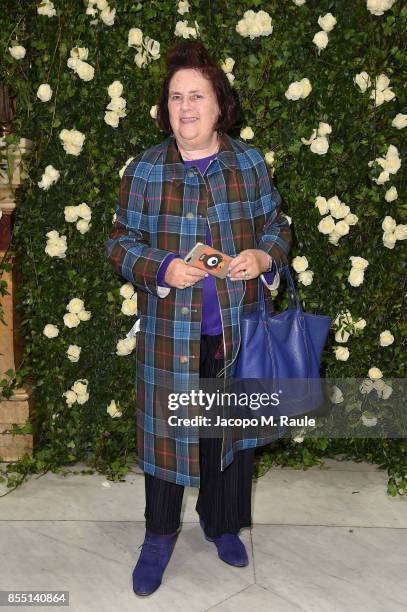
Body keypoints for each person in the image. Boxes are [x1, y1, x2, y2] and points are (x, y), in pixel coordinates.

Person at [105, 41, 292, 596]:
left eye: (197, 96)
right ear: (166, 108)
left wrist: (263, 257)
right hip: (171, 337)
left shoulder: (248, 163)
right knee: (168, 437)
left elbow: (276, 225)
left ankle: (221, 524)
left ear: (219, 106)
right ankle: (159, 537)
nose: (185, 107)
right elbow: (119, 243)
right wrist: (161, 265)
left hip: (237, 332)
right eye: (176, 97)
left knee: (227, 439)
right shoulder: (145, 169)